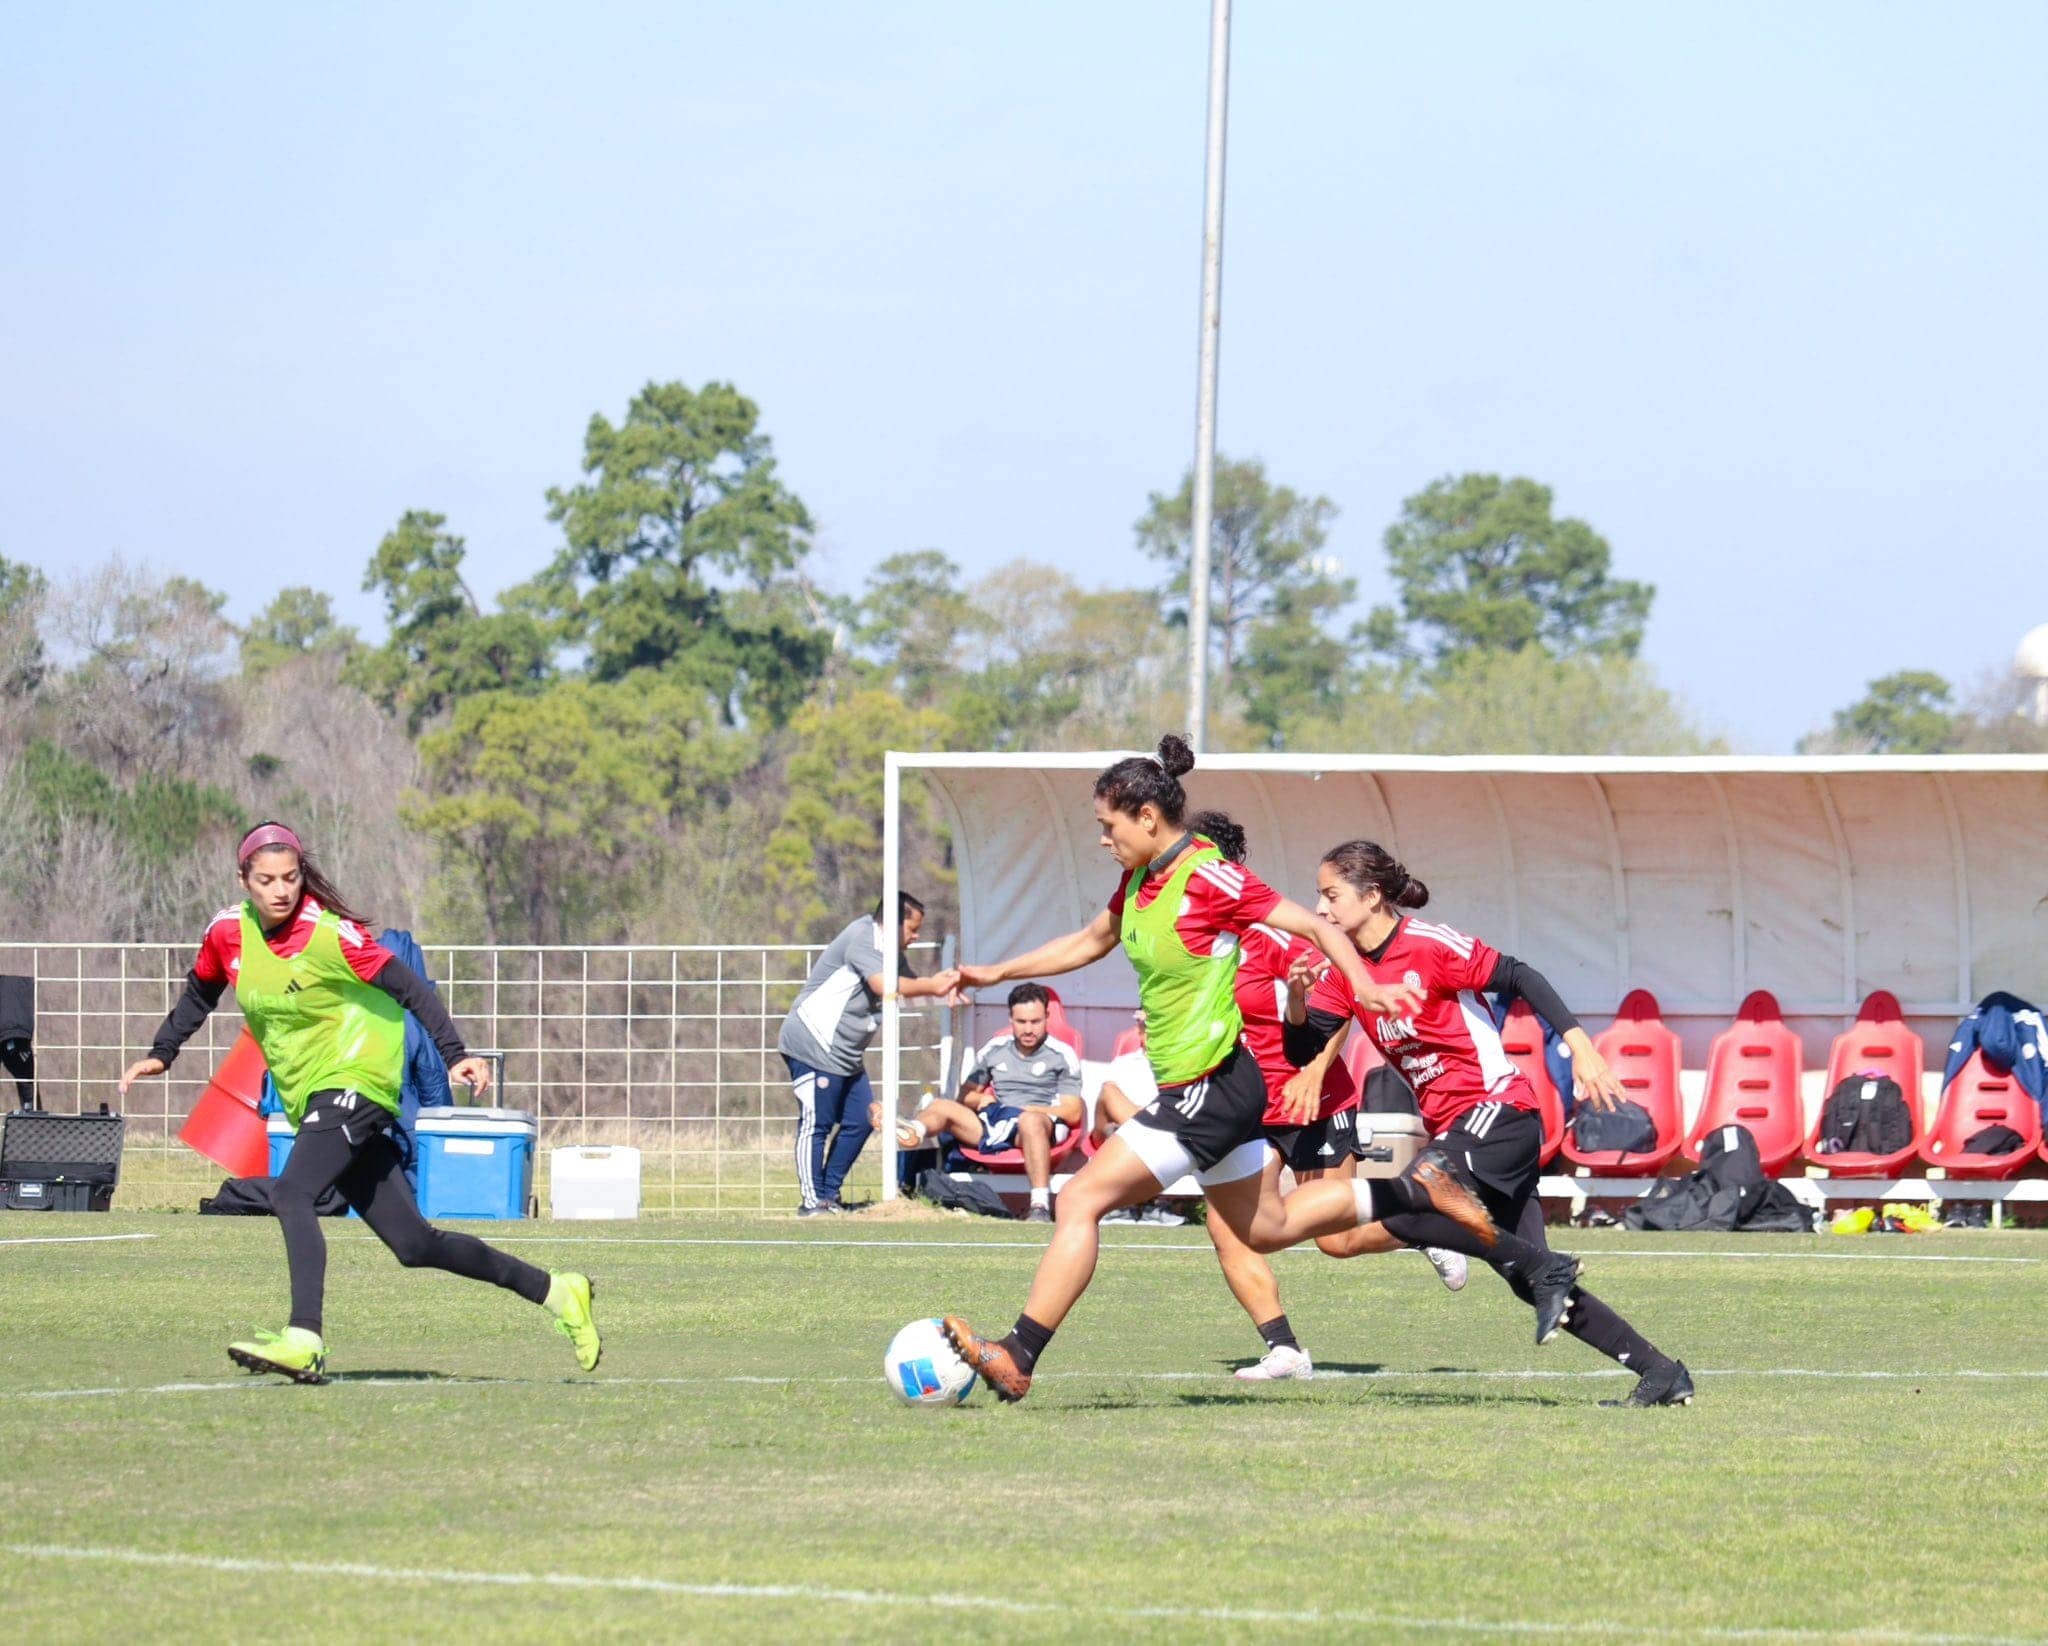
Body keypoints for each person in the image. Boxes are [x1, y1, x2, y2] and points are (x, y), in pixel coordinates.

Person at [936, 735, 1494, 1403]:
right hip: (1205, 1089)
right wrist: (998, 970)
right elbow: (1089, 941)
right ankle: (1418, 1199)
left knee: (1080, 1198)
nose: (1102, 840)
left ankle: (1019, 1351)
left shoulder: (1211, 875)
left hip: (1216, 1086)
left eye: (1107, 826)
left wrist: (1366, 991)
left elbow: (1317, 929)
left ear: (1147, 816)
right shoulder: (1139, 881)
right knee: (1267, 1228)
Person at [119, 821, 600, 1384]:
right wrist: (163, 1051)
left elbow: (409, 988)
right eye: (267, 880)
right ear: (243, 879)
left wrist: (454, 1054)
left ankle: (304, 1337)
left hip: (358, 1081)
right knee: (415, 1244)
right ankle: (558, 1291)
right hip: (313, 1095)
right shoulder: (228, 933)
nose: (280, 890)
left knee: (294, 1191)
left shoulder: (330, 934)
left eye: (291, 878)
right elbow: (202, 989)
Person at [1287, 838, 1694, 1408]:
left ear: (1373, 895)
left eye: (1331, 894)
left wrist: (1581, 1046)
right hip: (1457, 1133)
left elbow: (1521, 976)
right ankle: (1660, 1373)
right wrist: (1296, 1001)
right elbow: (1299, 1044)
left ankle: (1541, 1265)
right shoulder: (1344, 972)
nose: (1322, 908)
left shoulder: (1429, 945)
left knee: (1424, 1188)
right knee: (1529, 1281)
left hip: (1502, 1111)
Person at [1184, 811, 1466, 1385]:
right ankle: (1284, 1349)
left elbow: (1340, 995)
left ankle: (1426, 1221)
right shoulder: (1188, 939)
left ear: (1223, 869)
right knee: (1226, 1224)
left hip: (1310, 1099)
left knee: (1336, 1241)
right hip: (1242, 1104)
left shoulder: (1276, 930)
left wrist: (1313, 1069)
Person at [778, 892, 960, 1217]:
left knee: (862, 1120)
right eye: (912, 929)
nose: (916, 937)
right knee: (815, 1123)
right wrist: (933, 986)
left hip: (845, 1055)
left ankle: (828, 1197)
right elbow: (883, 986)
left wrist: (951, 993)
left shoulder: (892, 953)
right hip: (813, 1043)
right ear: (891, 923)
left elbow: (910, 987)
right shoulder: (862, 936)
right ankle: (811, 1203)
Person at [887, 983, 1083, 1222]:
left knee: (1030, 1122)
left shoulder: (1061, 1054)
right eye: (1021, 1022)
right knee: (941, 1106)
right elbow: (965, 1095)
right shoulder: (994, 1049)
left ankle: (1039, 1206)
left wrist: (1028, 1110)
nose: (1029, 1029)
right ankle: (914, 1131)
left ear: (1047, 1019)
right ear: (1011, 1019)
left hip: (1039, 1124)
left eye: (1035, 1021)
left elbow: (1073, 1112)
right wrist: (982, 1098)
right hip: (997, 1120)